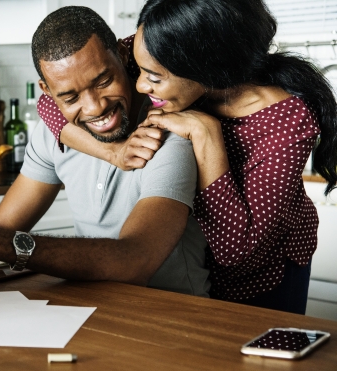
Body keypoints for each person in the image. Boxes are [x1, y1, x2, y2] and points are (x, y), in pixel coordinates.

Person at [0, 6, 210, 296]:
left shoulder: (167, 133)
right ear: (47, 92)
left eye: (103, 81)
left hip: (176, 315)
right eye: (70, 97)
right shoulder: (52, 136)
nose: (95, 108)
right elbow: (0, 227)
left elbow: (135, 260)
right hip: (101, 309)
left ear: (123, 56)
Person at [36, 0, 337, 314]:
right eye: (139, 70)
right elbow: (50, 104)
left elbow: (237, 250)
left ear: (205, 67)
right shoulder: (156, 47)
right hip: (197, 267)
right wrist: (114, 153)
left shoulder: (286, 121)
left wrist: (206, 134)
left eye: (154, 77)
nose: (139, 83)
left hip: (262, 276)